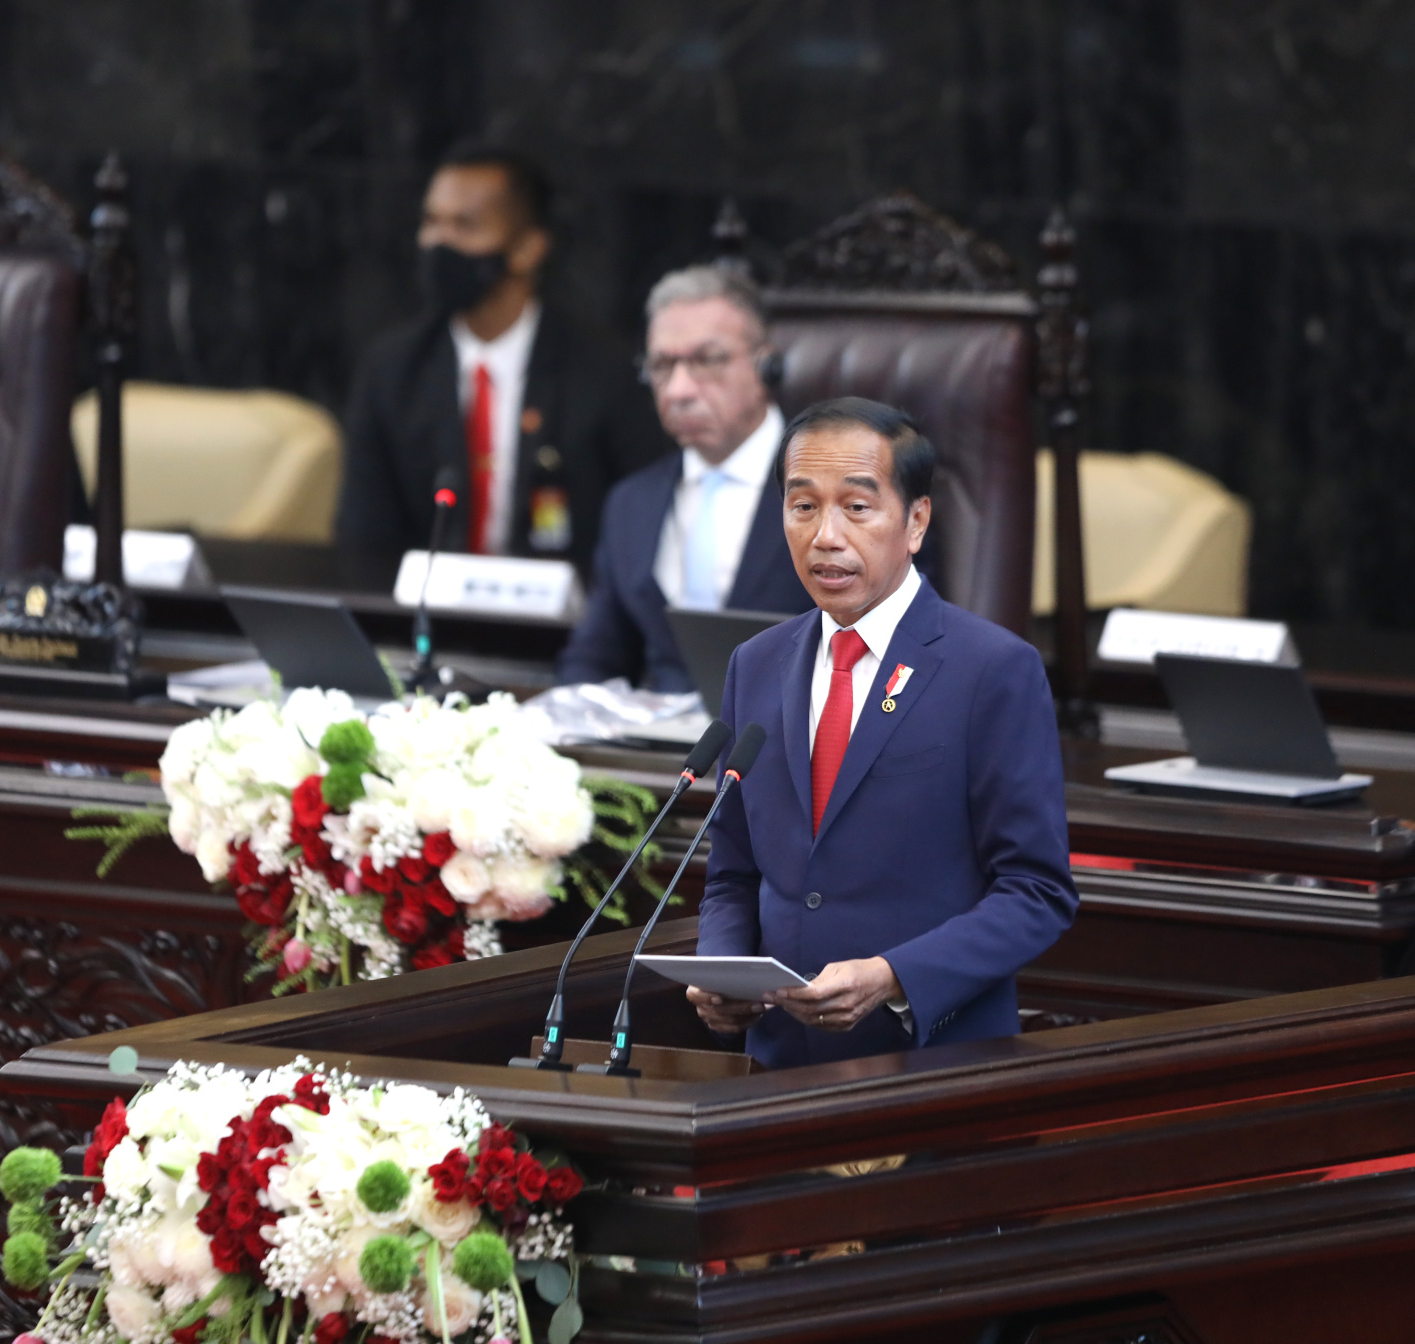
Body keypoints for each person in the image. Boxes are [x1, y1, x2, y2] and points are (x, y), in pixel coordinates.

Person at [687, 397, 1077, 1069]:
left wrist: (894, 976)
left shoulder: (992, 670)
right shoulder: (756, 664)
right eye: (802, 506)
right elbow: (733, 875)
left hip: (933, 1065)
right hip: (776, 1069)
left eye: (857, 508)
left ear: (916, 520)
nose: (826, 536)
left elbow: (1036, 892)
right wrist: (722, 969)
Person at [334, 142, 663, 566]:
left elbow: (638, 528)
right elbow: (363, 533)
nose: (438, 243)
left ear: (528, 248)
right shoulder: (393, 369)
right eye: (431, 222)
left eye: (464, 226)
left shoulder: (603, 373)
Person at [554, 266, 812, 690]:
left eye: (707, 360)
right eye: (662, 365)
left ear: (768, 366)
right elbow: (593, 658)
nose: (678, 390)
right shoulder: (631, 503)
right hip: (660, 751)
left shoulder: (843, 495)